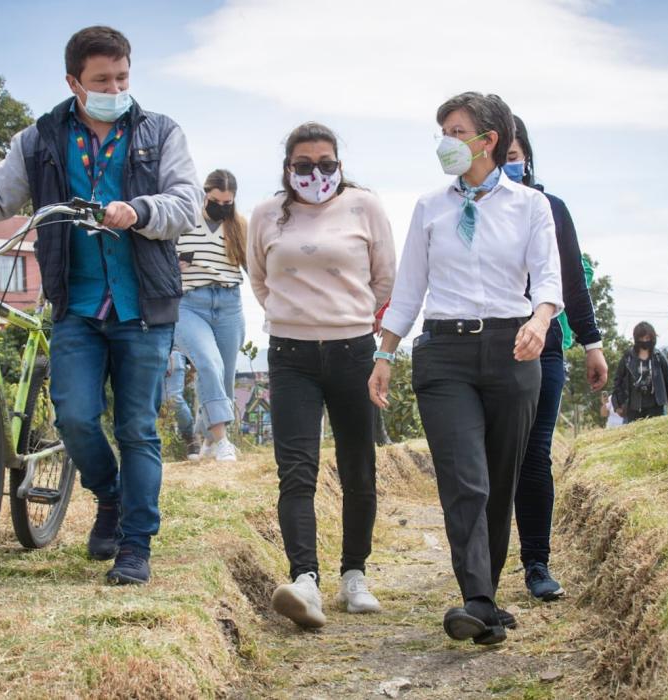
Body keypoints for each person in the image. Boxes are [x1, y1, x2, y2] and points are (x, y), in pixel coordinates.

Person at [0, 26, 200, 585]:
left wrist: (140, 211)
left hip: (144, 305)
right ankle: (109, 495)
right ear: (74, 82)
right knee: (76, 417)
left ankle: (135, 546)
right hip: (77, 304)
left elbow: (185, 202)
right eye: (102, 79)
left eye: (123, 77)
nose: (115, 87)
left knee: (136, 429)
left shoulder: (160, 132)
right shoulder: (39, 139)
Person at [370, 92, 563, 646]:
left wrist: (540, 320)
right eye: (442, 131)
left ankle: (487, 601)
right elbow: (408, 290)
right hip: (444, 355)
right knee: (466, 481)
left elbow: (548, 278)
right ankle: (476, 598)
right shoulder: (430, 206)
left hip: (513, 349)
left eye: (455, 131)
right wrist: (385, 354)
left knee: (499, 483)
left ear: (489, 141)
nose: (445, 142)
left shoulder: (530, 206)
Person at [249, 122, 395, 629]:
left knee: (358, 467)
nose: (317, 173)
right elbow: (260, 280)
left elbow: (384, 279)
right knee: (296, 469)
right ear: (288, 168)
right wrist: (299, 317)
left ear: (339, 164)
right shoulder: (267, 214)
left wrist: (346, 318)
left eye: (327, 164)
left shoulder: (365, 206)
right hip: (289, 355)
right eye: (304, 165)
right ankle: (304, 578)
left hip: (353, 350)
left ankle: (354, 574)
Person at [505, 115, 607, 603]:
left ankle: (537, 562)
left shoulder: (551, 208)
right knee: (491, 459)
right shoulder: (468, 211)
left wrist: (591, 341)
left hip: (543, 350)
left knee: (534, 454)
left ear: (527, 157)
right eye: (499, 157)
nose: (508, 166)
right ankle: (479, 569)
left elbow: (572, 279)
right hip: (486, 350)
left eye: (513, 157)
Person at [175, 169, 246, 463]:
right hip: (190, 303)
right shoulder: (184, 220)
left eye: (228, 202)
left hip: (230, 303)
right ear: (205, 195)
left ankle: (207, 440)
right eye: (216, 200)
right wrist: (172, 266)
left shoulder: (239, 226)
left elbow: (257, 266)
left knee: (224, 377)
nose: (222, 206)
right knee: (208, 362)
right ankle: (222, 441)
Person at [612, 322, 668, 422]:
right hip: (633, 407)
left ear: (652, 338)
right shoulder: (628, 358)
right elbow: (618, 382)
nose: (644, 341)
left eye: (647, 338)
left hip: (656, 407)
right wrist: (617, 404)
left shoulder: (659, 357)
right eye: (641, 339)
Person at [164, 350, 199, 458]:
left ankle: (190, 438)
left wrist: (194, 364)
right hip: (142, 350)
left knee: (173, 398)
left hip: (173, 352)